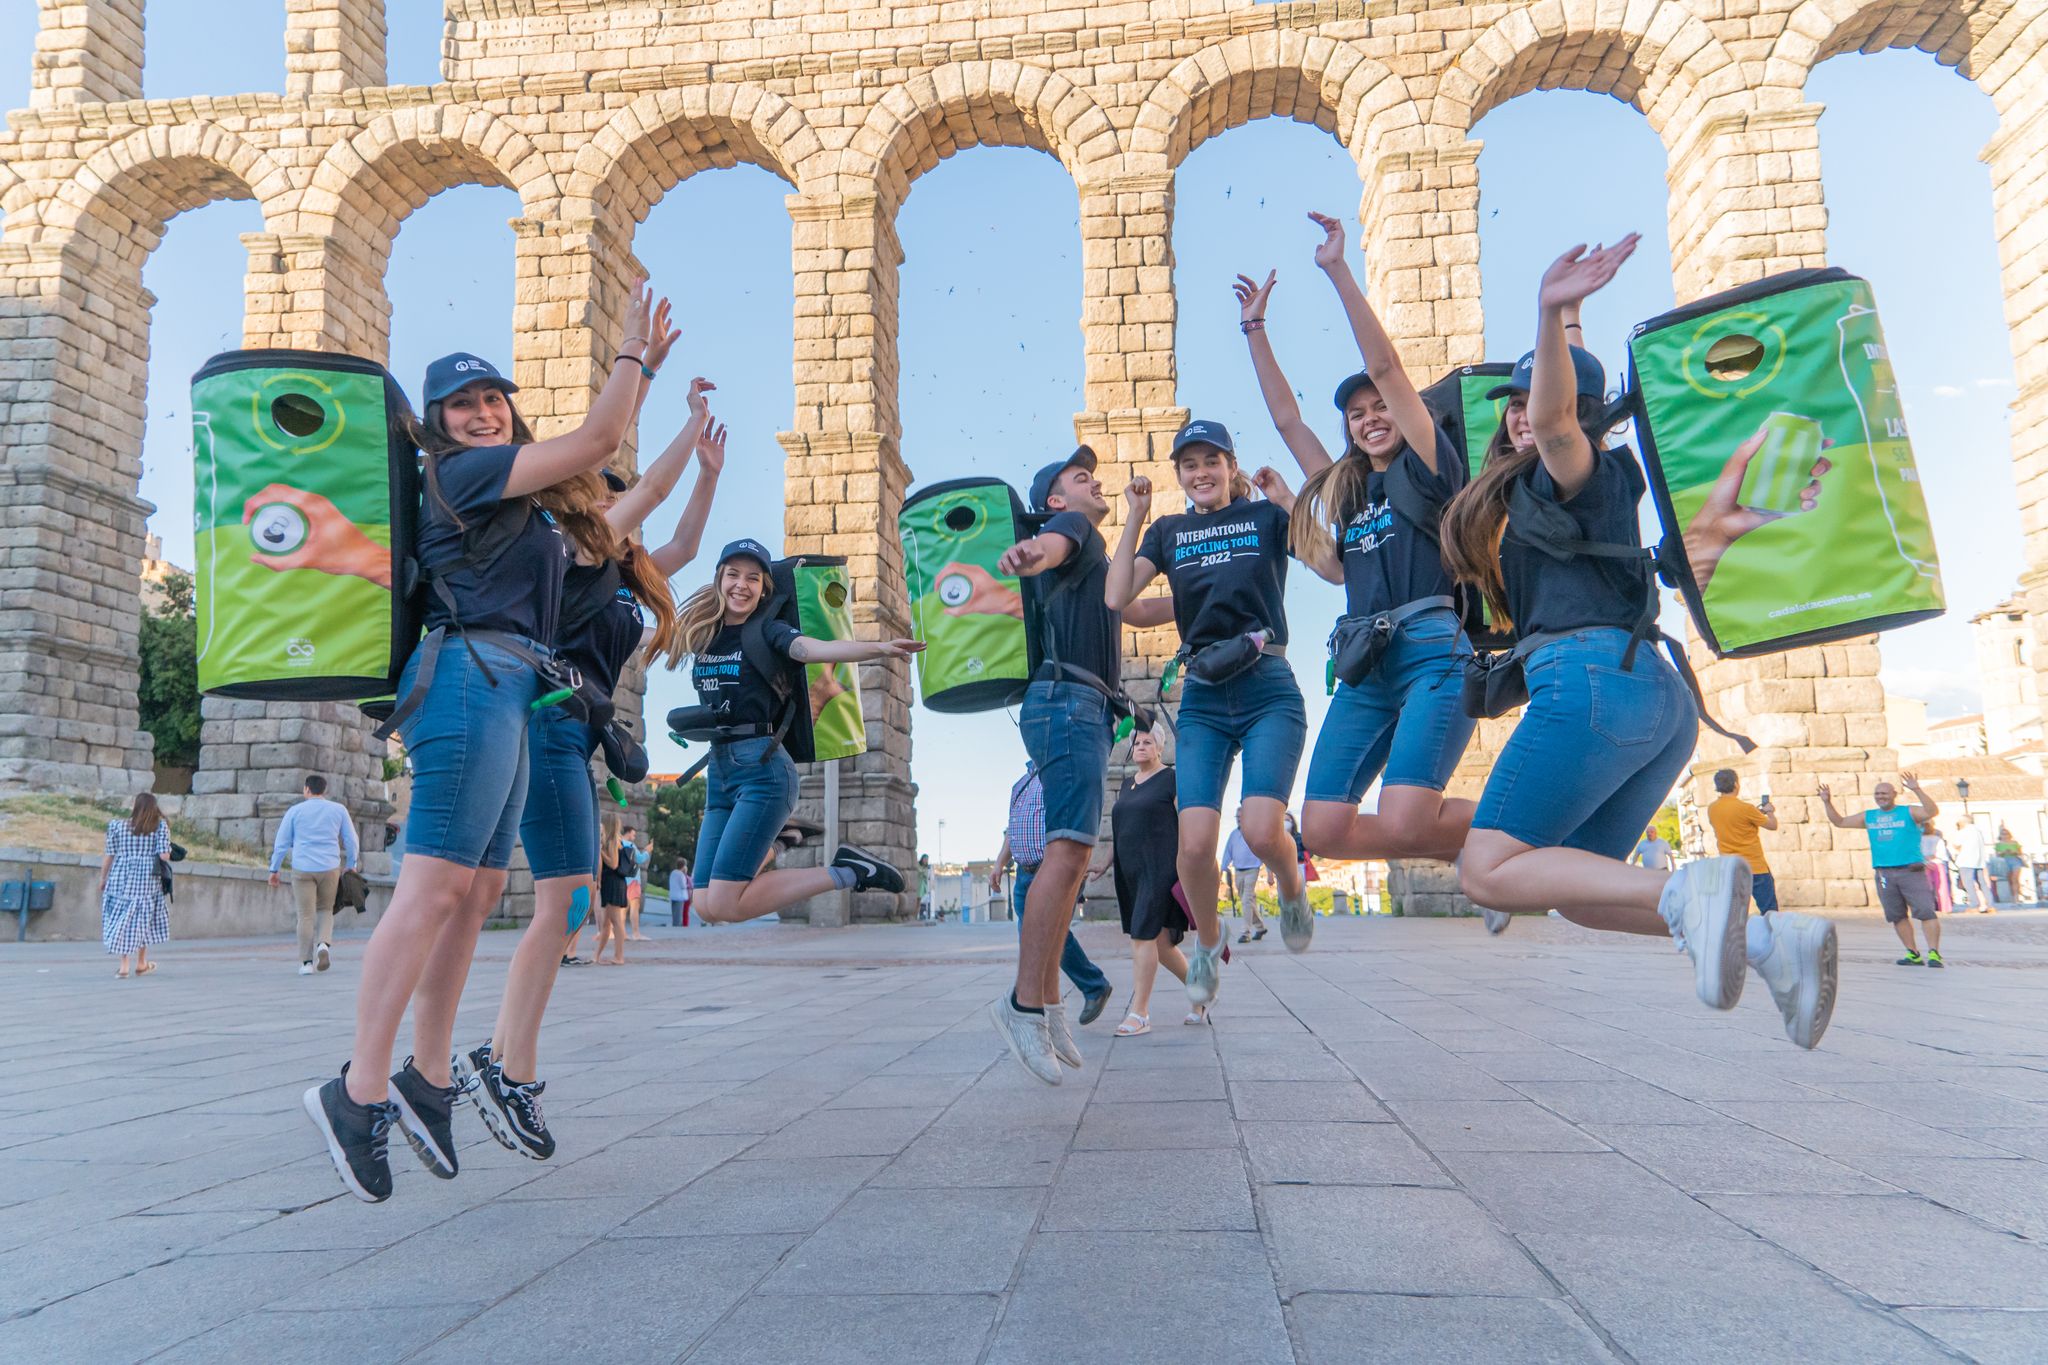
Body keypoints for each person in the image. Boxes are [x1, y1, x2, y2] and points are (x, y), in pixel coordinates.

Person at [302, 286, 663, 1204]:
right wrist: (633, 359)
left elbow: (609, 501)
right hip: (466, 676)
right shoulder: (458, 477)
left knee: (478, 891)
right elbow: (593, 444)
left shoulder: (525, 510)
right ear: (437, 426)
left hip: (507, 681)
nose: (481, 411)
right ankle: (357, 1090)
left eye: (493, 399)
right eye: (462, 405)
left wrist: (678, 445)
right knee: (431, 891)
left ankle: (427, 1077)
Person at [1441, 237, 1838, 1052]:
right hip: (1653, 700)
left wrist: (1553, 311)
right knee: (1584, 894)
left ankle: (1696, 889)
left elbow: (1556, 415)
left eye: (1533, 396)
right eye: (1510, 399)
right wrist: (1573, 319)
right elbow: (1709, 532)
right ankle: (1773, 945)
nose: (1521, 408)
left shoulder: (1570, 465)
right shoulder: (1585, 490)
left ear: (1581, 414)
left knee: (1487, 868)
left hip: (1591, 683)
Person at [455, 376, 714, 1160]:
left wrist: (710, 472)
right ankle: (512, 1071)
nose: (622, 511)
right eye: (609, 500)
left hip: (568, 736)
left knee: (561, 905)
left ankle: (497, 1057)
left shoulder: (618, 582)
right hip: (544, 727)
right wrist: (687, 424)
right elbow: (648, 487)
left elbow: (686, 546)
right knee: (563, 905)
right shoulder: (566, 554)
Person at [1232, 213, 1477, 944]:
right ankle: (1491, 840)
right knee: (1326, 827)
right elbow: (1286, 420)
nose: (1370, 418)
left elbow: (1390, 372)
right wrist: (1255, 330)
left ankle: (1518, 832)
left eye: (1378, 410)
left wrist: (1338, 270)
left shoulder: (1432, 468)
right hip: (1365, 660)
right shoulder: (1344, 489)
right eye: (1357, 415)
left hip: (1435, 650)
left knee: (1404, 816)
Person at [982, 444, 1178, 1083]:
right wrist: (1030, 552)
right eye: (1078, 475)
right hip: (1066, 701)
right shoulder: (1068, 529)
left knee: (1067, 864)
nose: (1093, 477)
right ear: (1056, 501)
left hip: (1080, 704)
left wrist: (1142, 526)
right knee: (1064, 853)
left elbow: (1132, 602)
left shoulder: (1097, 551)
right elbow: (1052, 546)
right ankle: (1021, 1004)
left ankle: (1047, 1003)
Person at [1107, 420, 1310, 1013]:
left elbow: (1329, 559)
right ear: (1179, 475)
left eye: (1211, 460)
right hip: (1203, 695)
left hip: (1268, 685)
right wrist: (1135, 519)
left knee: (1258, 827)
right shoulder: (1169, 533)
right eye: (1189, 464)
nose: (1201, 472)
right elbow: (1119, 599)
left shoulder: (1265, 520)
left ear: (1230, 465)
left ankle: (1293, 891)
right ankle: (1207, 945)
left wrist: (1286, 500)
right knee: (1193, 847)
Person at [681, 539, 917, 927]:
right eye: (734, 575)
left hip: (763, 770)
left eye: (753, 578)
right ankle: (782, 840)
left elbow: (811, 650)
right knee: (705, 905)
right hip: (720, 771)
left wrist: (880, 647)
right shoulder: (706, 632)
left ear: (764, 588)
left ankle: (850, 871)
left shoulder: (768, 630)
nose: (742, 585)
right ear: (719, 579)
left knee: (724, 904)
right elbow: (650, 637)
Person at [991, 760, 1114, 1030]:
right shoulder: (1020, 785)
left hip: (1050, 872)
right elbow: (1012, 829)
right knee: (1035, 938)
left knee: (1044, 936)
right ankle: (1051, 1002)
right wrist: (1000, 862)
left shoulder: (1063, 774)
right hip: (1024, 874)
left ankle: (1037, 1006)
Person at [1093, 726, 1192, 1034]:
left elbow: (1188, 825)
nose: (1140, 746)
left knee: (1142, 935)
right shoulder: (1126, 785)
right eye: (1136, 742)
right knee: (1161, 945)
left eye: (1148, 742)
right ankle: (1203, 992)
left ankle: (1140, 1013)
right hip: (1131, 871)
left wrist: (1193, 866)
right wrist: (1104, 863)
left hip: (1160, 867)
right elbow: (1122, 829)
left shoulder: (1172, 780)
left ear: (1160, 748)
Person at [1820, 774, 1944, 967]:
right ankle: (1913, 953)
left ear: (1894, 794)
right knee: (1897, 915)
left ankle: (1934, 953)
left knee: (1926, 912)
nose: (1881, 796)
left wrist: (1916, 789)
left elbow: (1931, 811)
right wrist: (1827, 802)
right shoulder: (1869, 816)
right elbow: (1840, 822)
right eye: (1877, 794)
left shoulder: (1908, 812)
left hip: (1911, 870)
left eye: (1885, 793)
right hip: (1884, 873)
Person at [267, 773, 361, 976]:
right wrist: (351, 864)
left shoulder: (295, 811)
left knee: (305, 915)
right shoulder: (338, 810)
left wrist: (274, 869)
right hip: (329, 867)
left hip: (302, 868)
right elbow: (351, 839)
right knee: (326, 909)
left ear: (306, 789)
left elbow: (282, 843)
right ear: (324, 790)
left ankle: (306, 963)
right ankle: (324, 945)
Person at [100, 792, 171, 979]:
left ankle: (124, 965)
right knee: (142, 919)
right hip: (147, 879)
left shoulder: (117, 826)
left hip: (120, 876)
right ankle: (141, 963)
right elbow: (164, 856)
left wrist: (103, 878)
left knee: (122, 917)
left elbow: (109, 854)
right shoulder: (159, 826)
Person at [1705, 770, 1776, 913]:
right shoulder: (1746, 808)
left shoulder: (1712, 808)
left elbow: (1731, 823)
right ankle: (1769, 935)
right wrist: (1769, 812)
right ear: (1736, 784)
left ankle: (1736, 935)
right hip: (1755, 867)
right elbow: (1772, 826)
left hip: (1730, 867)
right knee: (1769, 911)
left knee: (1735, 912)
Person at [1223, 814, 1266, 942]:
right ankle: (1260, 927)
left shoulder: (1255, 833)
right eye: (1237, 816)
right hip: (1238, 870)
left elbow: (1264, 850)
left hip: (1252, 869)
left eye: (1241, 816)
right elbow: (1228, 851)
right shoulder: (1233, 834)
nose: (1238, 818)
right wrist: (1223, 867)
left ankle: (1245, 932)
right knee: (1247, 900)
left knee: (1246, 900)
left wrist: (1269, 872)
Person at [593, 814, 630, 965]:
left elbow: (614, 864)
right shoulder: (613, 841)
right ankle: (596, 955)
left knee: (615, 921)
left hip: (614, 884)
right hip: (612, 883)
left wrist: (600, 851)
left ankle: (619, 956)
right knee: (606, 923)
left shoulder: (614, 841)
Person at [1953, 817, 1992, 912]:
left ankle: (1974, 905)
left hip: (1966, 860)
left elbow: (1956, 844)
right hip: (1979, 860)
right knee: (1982, 883)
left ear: (1962, 822)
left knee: (1968, 883)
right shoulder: (1979, 831)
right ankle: (1990, 905)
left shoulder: (1964, 831)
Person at [1921, 820, 1954, 916]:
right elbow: (1942, 854)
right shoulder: (1937, 839)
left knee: (1926, 887)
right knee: (1941, 886)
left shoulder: (1919, 839)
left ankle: (1928, 906)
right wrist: (1933, 856)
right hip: (1937, 863)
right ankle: (1945, 907)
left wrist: (1925, 859)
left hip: (1924, 864)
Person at [669, 854, 693, 927]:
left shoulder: (673, 873)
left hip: (673, 895)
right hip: (680, 897)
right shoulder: (681, 875)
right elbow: (683, 886)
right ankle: (677, 928)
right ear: (683, 866)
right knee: (679, 914)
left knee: (674, 913)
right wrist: (688, 885)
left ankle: (674, 925)